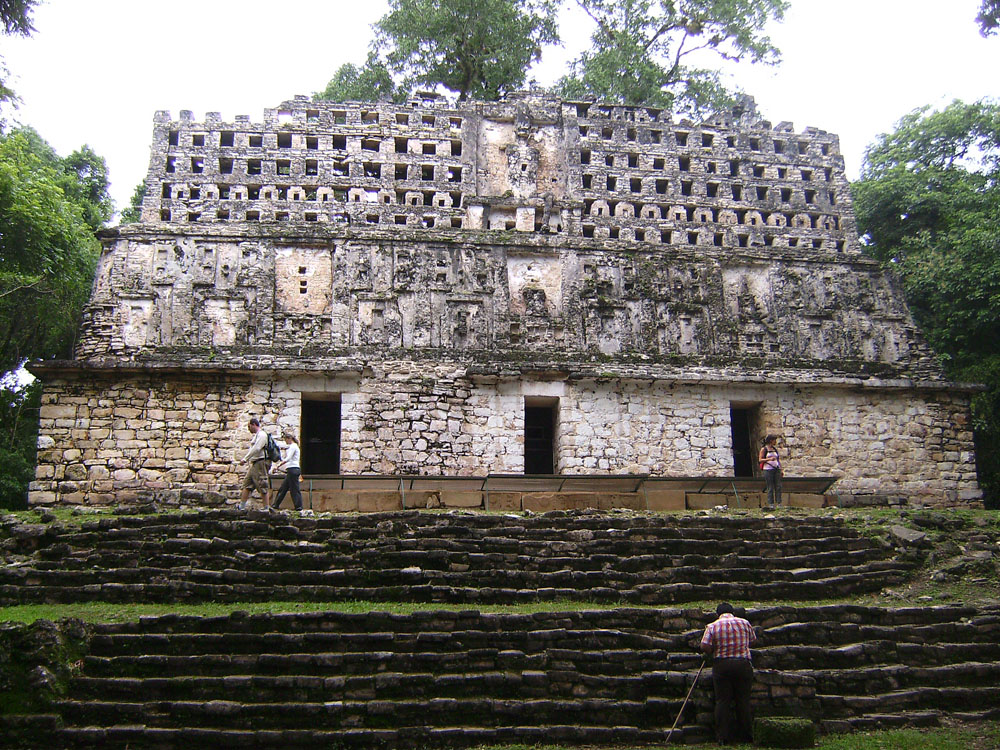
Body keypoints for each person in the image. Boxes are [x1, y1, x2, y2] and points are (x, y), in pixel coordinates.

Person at [701, 602, 757, 745]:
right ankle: (747, 735)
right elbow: (753, 640)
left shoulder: (713, 626)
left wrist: (712, 650)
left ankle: (722, 737)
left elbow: (704, 645)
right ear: (733, 612)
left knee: (722, 701)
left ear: (717, 613)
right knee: (743, 701)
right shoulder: (744, 623)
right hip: (743, 664)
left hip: (722, 665)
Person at [237, 417, 271, 510]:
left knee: (262, 483)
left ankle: (266, 507)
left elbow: (257, 448)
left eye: (249, 427)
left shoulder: (262, 435)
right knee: (247, 484)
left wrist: (245, 459)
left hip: (260, 462)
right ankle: (242, 506)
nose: (249, 429)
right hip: (255, 463)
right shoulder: (257, 435)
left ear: (254, 425)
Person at [270, 430, 303, 512]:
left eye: (285, 440)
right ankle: (275, 505)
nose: (285, 442)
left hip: (293, 469)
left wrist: (278, 465)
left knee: (294, 489)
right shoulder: (292, 446)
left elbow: (288, 458)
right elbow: (284, 447)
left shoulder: (293, 446)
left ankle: (298, 507)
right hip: (291, 470)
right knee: (283, 488)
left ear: (289, 439)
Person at [758, 434, 782, 508]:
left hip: (776, 469)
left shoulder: (774, 449)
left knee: (778, 486)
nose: (775, 442)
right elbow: (760, 459)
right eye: (774, 440)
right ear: (771, 440)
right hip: (768, 469)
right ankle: (771, 504)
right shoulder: (764, 449)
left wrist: (781, 469)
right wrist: (769, 459)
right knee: (770, 486)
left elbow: (778, 460)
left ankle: (779, 503)